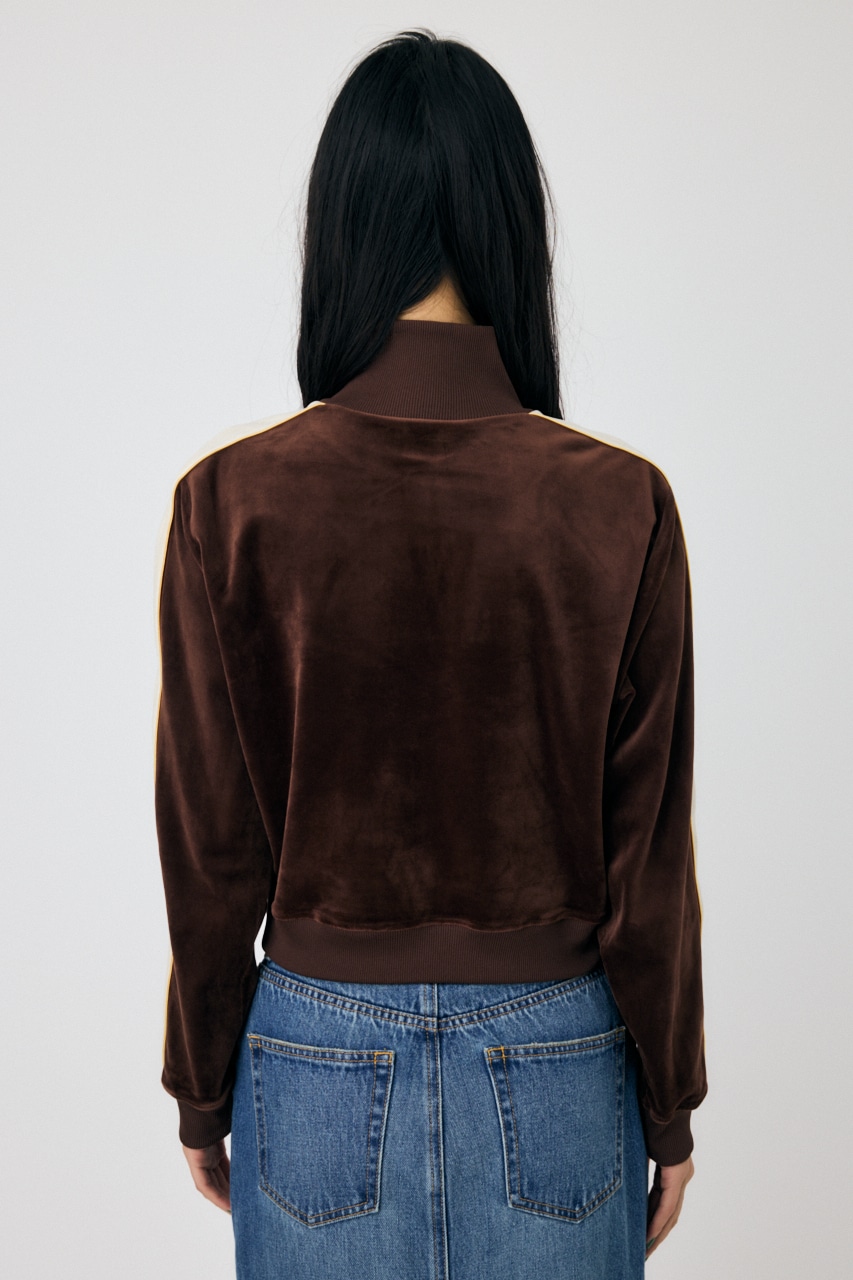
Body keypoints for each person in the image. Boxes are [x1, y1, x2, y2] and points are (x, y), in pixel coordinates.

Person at [154, 28, 706, 1279]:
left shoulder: (228, 503)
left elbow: (210, 847)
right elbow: (648, 859)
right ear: (512, 224)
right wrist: (668, 1107)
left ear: (342, 230)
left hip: (311, 1058)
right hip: (560, 1056)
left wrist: (203, 1084)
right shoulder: (620, 503)